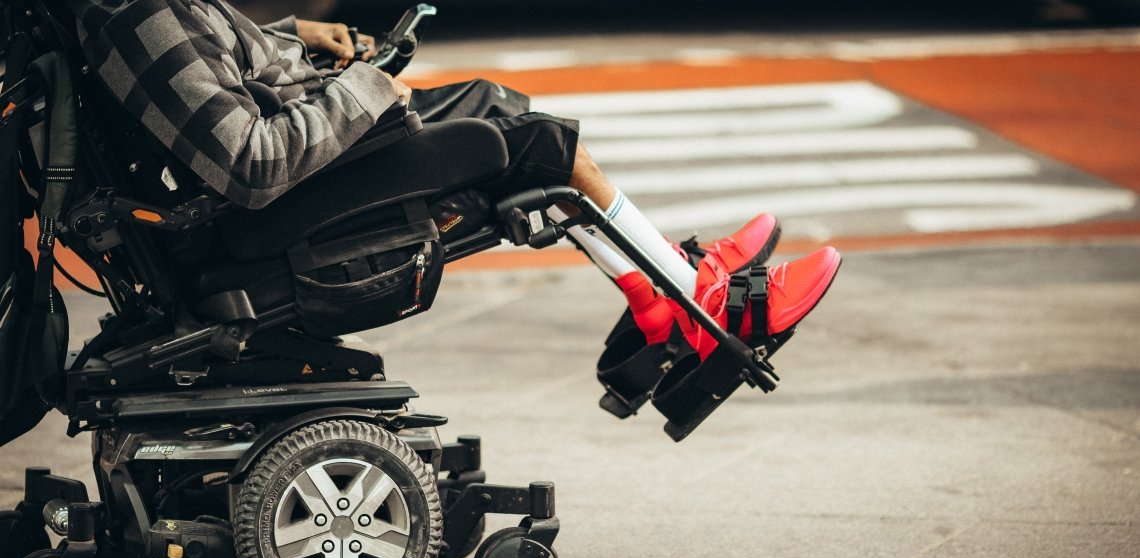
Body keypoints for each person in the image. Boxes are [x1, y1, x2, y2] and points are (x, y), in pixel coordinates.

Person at [64, 0, 840, 359]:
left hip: (276, 183)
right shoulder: (141, 13)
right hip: (267, 217)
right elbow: (251, 163)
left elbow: (204, 74)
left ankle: (658, 289)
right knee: (536, 146)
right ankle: (705, 308)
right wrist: (363, 91)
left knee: (494, 103)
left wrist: (289, 39)